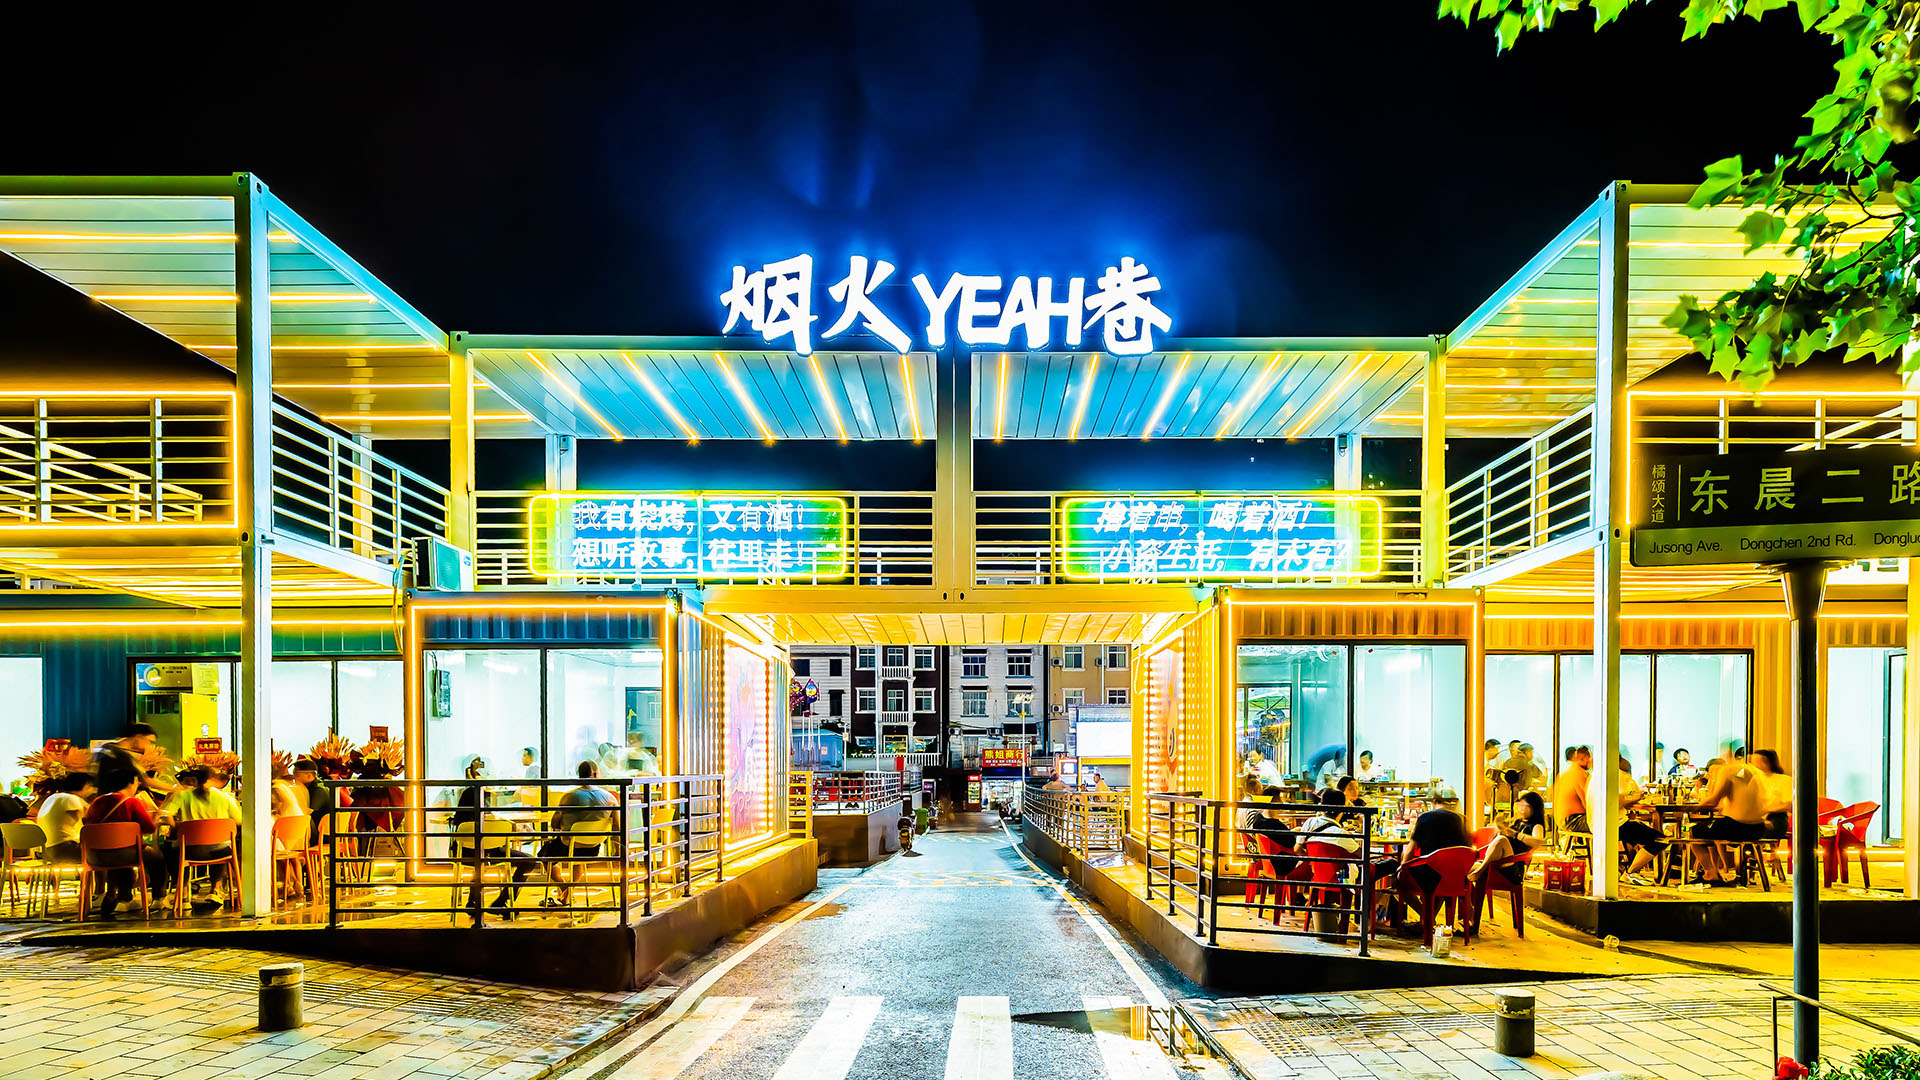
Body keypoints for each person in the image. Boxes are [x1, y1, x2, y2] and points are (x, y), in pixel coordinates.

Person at [503, 760, 621, 910]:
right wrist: (617, 851)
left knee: (544, 855)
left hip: (567, 846)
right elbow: (617, 826)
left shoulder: (569, 797)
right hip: (593, 848)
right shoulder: (610, 798)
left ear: (580, 775)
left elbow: (555, 823)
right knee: (577, 860)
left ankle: (564, 887)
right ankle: (568, 891)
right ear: (596, 774)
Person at [83, 769, 171, 917]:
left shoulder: (96, 802)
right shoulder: (130, 802)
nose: (138, 784)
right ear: (130, 783)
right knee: (157, 857)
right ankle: (159, 898)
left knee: (121, 856)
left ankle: (125, 899)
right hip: (125, 853)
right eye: (136, 781)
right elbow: (148, 829)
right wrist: (156, 818)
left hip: (95, 856)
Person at [162, 766, 244, 912]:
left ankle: (183, 892)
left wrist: (176, 828)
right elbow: (238, 820)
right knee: (222, 845)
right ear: (213, 779)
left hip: (190, 851)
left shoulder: (181, 795)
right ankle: (215, 889)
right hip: (219, 851)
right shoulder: (225, 797)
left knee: (171, 848)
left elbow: (166, 814)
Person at [1687, 742, 1770, 885]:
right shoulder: (1756, 772)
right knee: (1713, 828)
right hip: (1759, 828)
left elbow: (1714, 800)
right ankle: (1724, 870)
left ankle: (1710, 873)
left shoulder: (1728, 771)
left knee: (1694, 832)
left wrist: (1692, 808)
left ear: (1728, 755)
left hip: (1737, 827)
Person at [1394, 787, 1475, 915]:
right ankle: (1428, 919)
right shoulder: (1462, 820)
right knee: (1441, 881)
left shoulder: (1425, 817)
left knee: (1399, 882)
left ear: (1435, 802)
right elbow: (1468, 850)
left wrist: (1402, 868)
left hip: (1430, 876)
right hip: (1457, 878)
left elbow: (1410, 850)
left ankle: (1426, 917)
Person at [1612, 754, 1669, 885]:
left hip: (1598, 823)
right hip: (1616, 824)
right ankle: (1630, 872)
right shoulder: (1618, 775)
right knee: (1660, 840)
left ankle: (1630, 870)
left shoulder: (1597, 776)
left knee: (1636, 831)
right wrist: (1639, 797)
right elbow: (1620, 801)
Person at [1473, 790, 1548, 885]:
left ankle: (1481, 869)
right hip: (1499, 861)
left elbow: (1537, 842)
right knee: (1469, 869)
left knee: (1502, 840)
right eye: (1520, 805)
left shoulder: (1536, 826)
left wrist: (1516, 835)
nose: (1521, 809)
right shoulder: (1517, 822)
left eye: (1525, 806)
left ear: (1533, 808)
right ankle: (1472, 879)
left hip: (1514, 865)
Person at [90, 722, 174, 800]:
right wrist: (174, 789)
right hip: (113, 801)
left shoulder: (108, 748)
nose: (149, 745)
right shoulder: (121, 755)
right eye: (149, 741)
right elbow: (146, 780)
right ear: (139, 737)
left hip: (103, 800)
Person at [35, 771, 92, 864]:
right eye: (90, 786)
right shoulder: (71, 799)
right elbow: (92, 815)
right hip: (63, 850)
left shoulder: (52, 798)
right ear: (85, 786)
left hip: (44, 851)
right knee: (103, 854)